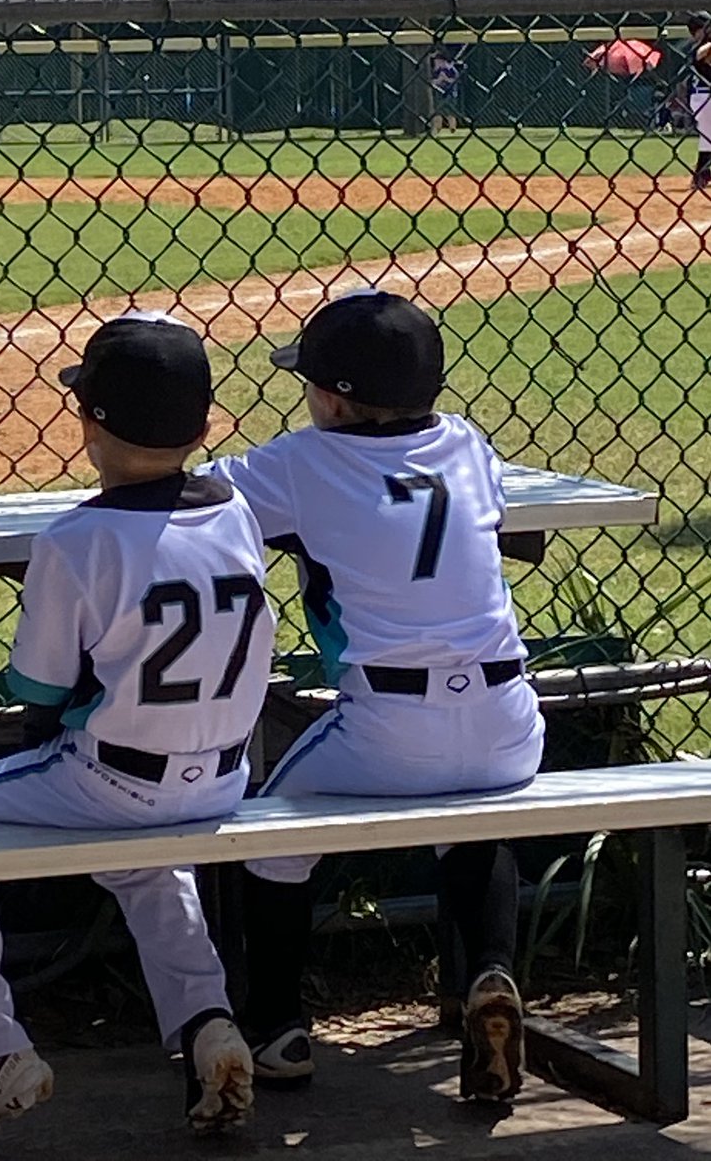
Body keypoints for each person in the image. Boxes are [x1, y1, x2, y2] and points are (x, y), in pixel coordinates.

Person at [0, 310, 276, 1154]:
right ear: (204, 423)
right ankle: (209, 1022)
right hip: (224, 779)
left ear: (91, 426)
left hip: (113, 779)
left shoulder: (75, 538)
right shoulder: (236, 512)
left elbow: (36, 690)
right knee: (145, 861)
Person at [207, 289, 545, 1102]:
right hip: (511, 720)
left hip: (388, 725)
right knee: (475, 814)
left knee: (269, 840)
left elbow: (193, 498)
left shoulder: (299, 461)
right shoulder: (465, 442)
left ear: (336, 396)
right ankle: (489, 974)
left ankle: (280, 1026)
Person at [688, 12, 711, 190]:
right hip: (703, 97)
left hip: (704, 97)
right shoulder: (698, 46)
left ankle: (702, 174)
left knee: (708, 139)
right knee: (708, 138)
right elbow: (699, 55)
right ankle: (701, 174)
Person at [430, 49, 463, 134]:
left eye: (437, 60)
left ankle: (452, 127)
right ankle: (436, 128)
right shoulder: (435, 71)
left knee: (450, 112)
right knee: (438, 112)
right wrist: (439, 80)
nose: (435, 62)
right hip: (439, 93)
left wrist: (446, 79)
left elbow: (456, 80)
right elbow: (432, 82)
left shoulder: (451, 69)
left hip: (450, 93)